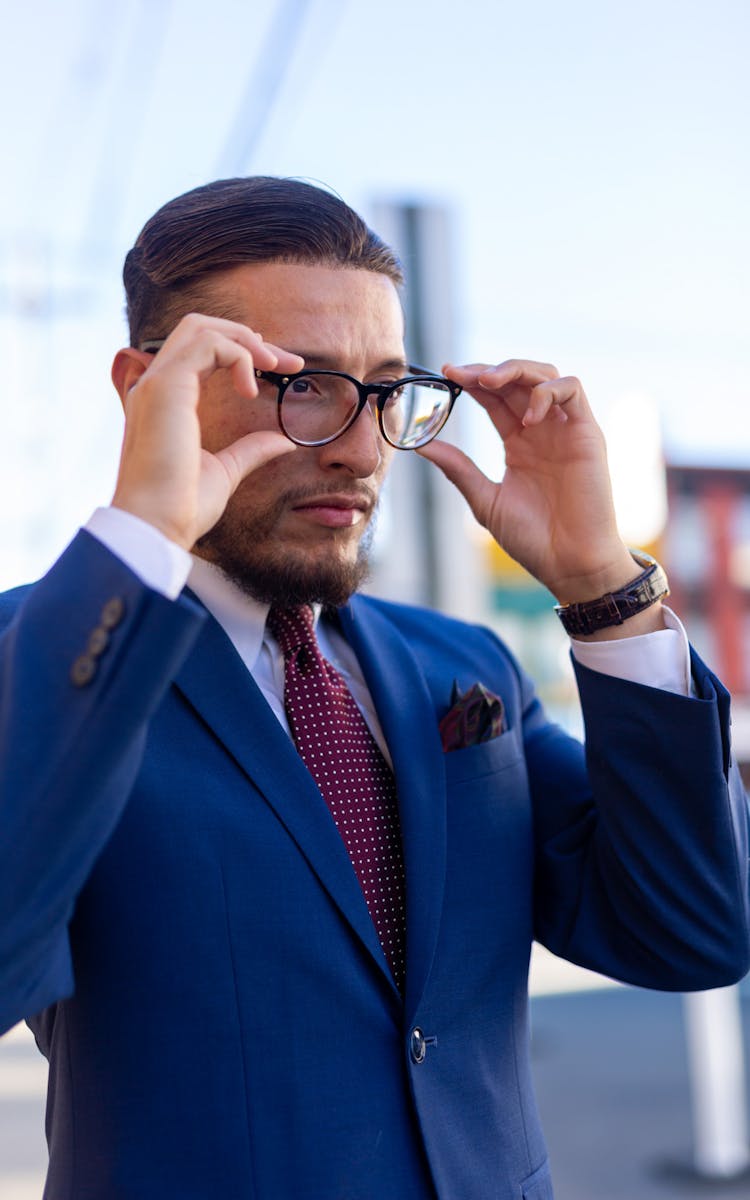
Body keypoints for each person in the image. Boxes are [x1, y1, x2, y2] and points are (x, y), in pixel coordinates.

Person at [0, 176, 747, 1200]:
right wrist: (142, 538)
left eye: (387, 391)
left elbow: (693, 929)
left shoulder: (463, 666)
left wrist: (600, 586)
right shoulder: (43, 655)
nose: (359, 448)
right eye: (299, 382)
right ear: (145, 386)